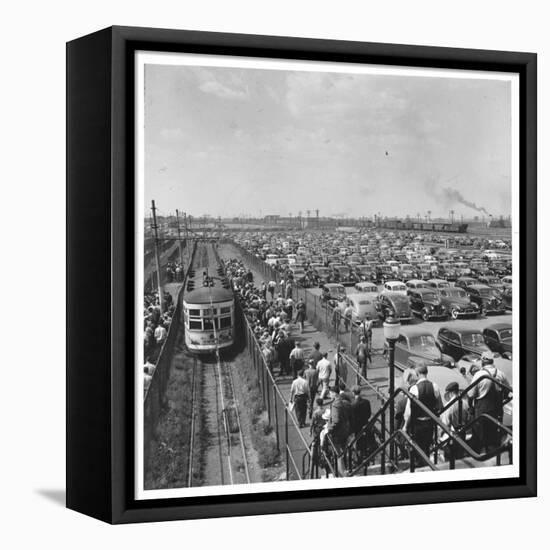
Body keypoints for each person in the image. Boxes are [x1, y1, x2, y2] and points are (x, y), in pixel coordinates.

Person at [468, 351, 511, 453]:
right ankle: (494, 452)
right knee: (493, 434)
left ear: (483, 362)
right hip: (496, 410)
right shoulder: (501, 374)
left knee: (481, 435)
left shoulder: (479, 375)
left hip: (482, 410)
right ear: (492, 361)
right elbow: (508, 391)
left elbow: (470, 395)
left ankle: (482, 453)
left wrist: (471, 407)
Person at [404, 364, 443, 459]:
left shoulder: (414, 389)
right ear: (427, 373)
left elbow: (409, 412)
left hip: (418, 424)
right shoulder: (435, 386)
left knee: (417, 449)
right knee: (427, 447)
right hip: (430, 423)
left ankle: (418, 466)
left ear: (417, 374)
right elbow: (440, 406)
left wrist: (405, 426)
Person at [327, 386, 352, 475]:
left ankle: (342, 474)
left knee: (338, 454)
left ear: (334, 393)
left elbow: (336, 420)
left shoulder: (335, 404)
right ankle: (345, 470)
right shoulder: (343, 402)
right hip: (345, 431)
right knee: (343, 452)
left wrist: (328, 429)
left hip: (337, 433)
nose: (329, 394)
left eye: (330, 392)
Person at [350, 385, 372, 460]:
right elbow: (369, 414)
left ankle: (360, 456)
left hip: (357, 426)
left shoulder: (353, 405)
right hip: (365, 423)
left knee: (358, 441)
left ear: (353, 393)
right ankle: (365, 453)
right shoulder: (367, 402)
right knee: (365, 440)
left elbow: (352, 418)